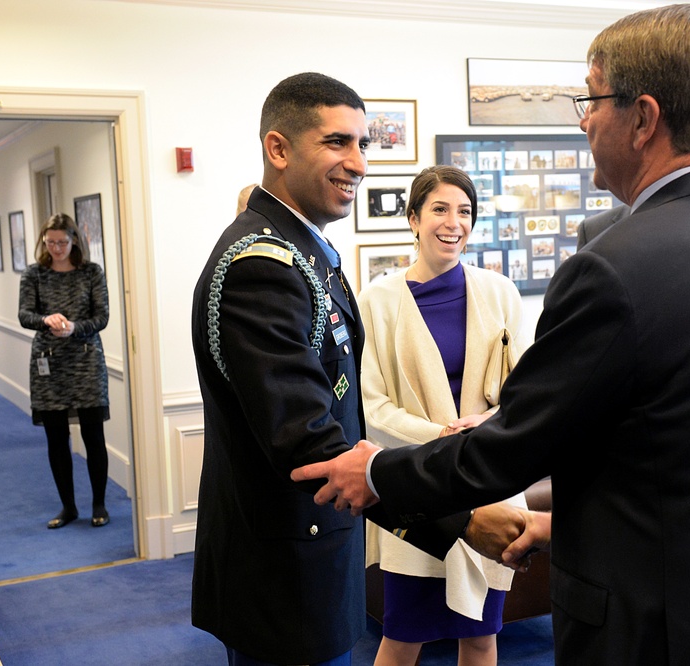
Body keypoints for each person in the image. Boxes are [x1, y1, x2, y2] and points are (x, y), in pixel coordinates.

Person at [292, 5, 690, 664]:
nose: (582, 119)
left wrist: (378, 471)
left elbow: (511, 448)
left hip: (668, 632)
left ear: (642, 118)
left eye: (592, 99)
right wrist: (576, 524)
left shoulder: (615, 268)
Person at [190, 72, 524, 666]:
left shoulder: (302, 252)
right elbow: (313, 446)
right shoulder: (261, 266)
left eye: (363, 144)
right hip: (285, 568)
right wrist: (461, 519)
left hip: (316, 548)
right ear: (278, 148)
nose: (359, 162)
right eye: (337, 142)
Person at [359, 165, 529, 666]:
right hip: (415, 485)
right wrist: (442, 435)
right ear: (413, 218)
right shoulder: (378, 301)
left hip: (487, 482)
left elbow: (527, 393)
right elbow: (371, 406)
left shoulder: (500, 293)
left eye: (464, 212)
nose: (453, 222)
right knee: (403, 635)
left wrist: (484, 427)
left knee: (481, 635)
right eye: (439, 209)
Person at [18, 212, 111, 529]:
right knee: (56, 438)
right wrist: (47, 320)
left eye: (62, 242)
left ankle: (99, 504)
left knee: (92, 435)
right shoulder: (35, 274)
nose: (56, 248)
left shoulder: (91, 273)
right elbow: (24, 315)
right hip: (49, 364)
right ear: (43, 241)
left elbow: (101, 317)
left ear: (75, 241)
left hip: (85, 361)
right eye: (50, 242)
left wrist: (74, 327)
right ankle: (68, 506)